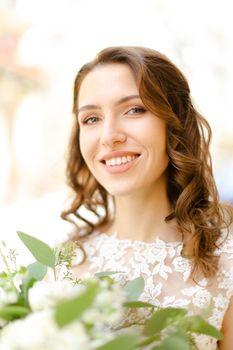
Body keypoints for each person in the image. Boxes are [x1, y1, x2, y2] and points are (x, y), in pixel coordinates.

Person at [61, 46, 233, 350]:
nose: (109, 135)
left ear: (174, 123)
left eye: (134, 110)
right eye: (91, 119)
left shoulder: (225, 265)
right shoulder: (66, 259)